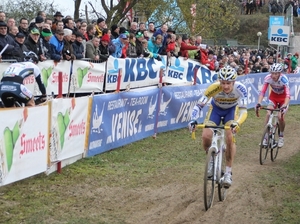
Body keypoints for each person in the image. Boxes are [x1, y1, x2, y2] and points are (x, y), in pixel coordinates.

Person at [188, 66, 248, 188]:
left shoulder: (241, 89)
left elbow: (243, 111)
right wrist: (193, 119)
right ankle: (211, 161)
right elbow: (199, 105)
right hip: (215, 110)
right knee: (206, 136)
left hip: (231, 111)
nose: (225, 86)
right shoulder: (214, 88)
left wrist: (238, 123)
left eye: (228, 83)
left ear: (234, 82)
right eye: (223, 83)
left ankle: (228, 172)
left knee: (230, 138)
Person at [255, 63, 290, 148]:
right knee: (268, 113)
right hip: (273, 97)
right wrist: (259, 103)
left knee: (279, 116)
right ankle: (266, 137)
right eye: (272, 73)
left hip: (283, 99)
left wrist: (285, 105)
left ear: (280, 73)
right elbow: (262, 92)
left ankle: (281, 136)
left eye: (276, 73)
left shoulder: (284, 79)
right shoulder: (268, 78)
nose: (273, 75)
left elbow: (288, 95)